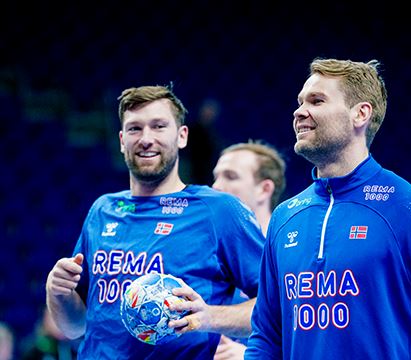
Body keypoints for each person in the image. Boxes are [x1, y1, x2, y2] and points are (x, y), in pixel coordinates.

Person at [244, 58, 411, 359]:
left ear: (360, 114)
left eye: (316, 101)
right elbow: (266, 336)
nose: (299, 112)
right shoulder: (285, 217)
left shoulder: (408, 209)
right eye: (300, 102)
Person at [45, 85, 265, 359]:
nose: (146, 139)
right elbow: (76, 326)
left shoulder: (218, 210)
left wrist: (210, 317)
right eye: (135, 129)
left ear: (182, 136)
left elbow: (274, 305)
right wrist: (58, 293)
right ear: (122, 140)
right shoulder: (102, 210)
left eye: (159, 126)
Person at [211, 140, 287, 359]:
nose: (216, 186)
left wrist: (249, 355)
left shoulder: (289, 251)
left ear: (264, 189)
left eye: (231, 177)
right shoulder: (211, 252)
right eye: (216, 176)